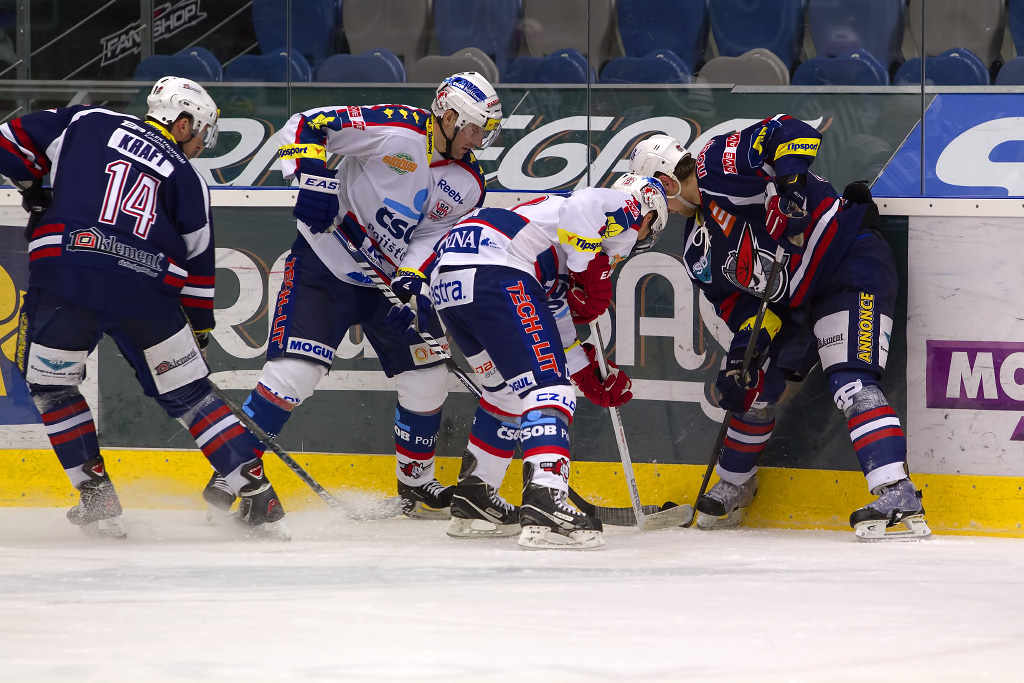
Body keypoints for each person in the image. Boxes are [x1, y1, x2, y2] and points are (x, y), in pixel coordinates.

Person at [201, 73, 502, 519]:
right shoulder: (395, 127)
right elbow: (307, 124)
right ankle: (232, 475)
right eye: (475, 129)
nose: (478, 141)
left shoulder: (470, 180)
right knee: (294, 375)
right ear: (449, 115)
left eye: (485, 132)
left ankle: (415, 481)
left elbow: (434, 234)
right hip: (325, 265)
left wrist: (412, 278)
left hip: (386, 285)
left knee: (428, 377)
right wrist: (313, 180)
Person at [0, 76, 288, 539]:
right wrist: (198, 332)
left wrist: (33, 184)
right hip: (147, 289)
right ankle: (257, 494)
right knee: (192, 395)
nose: (201, 145)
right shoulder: (188, 178)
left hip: (69, 274)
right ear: (182, 121)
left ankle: (97, 496)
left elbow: (7, 143)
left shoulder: (89, 120)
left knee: (52, 387)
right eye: (202, 133)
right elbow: (199, 265)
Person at [628, 121, 931, 540]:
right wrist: (743, 356)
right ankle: (735, 483)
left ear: (665, 182)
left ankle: (898, 492)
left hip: (848, 262)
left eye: (652, 192)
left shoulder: (718, 161)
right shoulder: (696, 248)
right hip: (791, 302)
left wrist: (789, 187)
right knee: (752, 384)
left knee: (851, 382)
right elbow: (743, 310)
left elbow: (790, 131)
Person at [404, 173, 668, 549]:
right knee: (549, 389)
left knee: (507, 393)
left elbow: (552, 319)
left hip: (454, 281)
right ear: (649, 214)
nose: (635, 241)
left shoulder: (555, 236)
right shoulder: (626, 206)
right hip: (498, 269)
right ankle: (546, 500)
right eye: (647, 232)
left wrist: (585, 374)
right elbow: (583, 206)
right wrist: (587, 270)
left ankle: (475, 497)